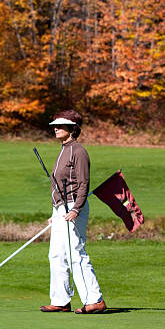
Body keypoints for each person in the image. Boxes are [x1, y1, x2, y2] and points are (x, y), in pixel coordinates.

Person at [39, 110, 107, 314]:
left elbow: (84, 183)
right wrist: (55, 212)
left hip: (73, 208)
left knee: (76, 253)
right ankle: (60, 300)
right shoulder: (63, 149)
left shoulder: (78, 151)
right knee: (56, 254)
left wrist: (76, 208)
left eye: (61, 125)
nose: (56, 128)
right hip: (61, 209)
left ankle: (95, 299)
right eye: (55, 125)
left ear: (73, 129)